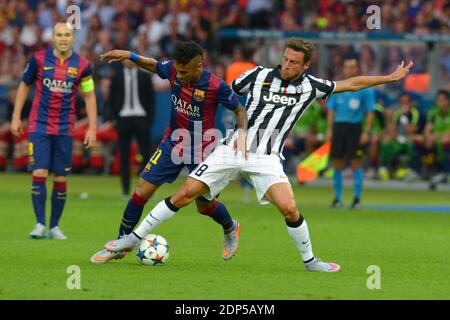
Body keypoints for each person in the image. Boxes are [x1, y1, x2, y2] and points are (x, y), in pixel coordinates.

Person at [103, 38, 413, 272]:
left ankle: (310, 261)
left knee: (290, 208)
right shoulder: (257, 75)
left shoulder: (313, 86)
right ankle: (132, 238)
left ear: (305, 65)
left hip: (267, 157)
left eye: (294, 62)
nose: (287, 65)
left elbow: (352, 83)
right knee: (187, 194)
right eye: (285, 59)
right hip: (233, 148)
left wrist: (388, 78)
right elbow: (226, 93)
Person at [90, 40, 248, 263]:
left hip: (202, 152)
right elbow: (154, 65)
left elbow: (240, 110)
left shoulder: (215, 86)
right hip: (172, 143)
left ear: (198, 66)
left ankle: (231, 227)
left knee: (204, 206)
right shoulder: (174, 69)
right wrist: (129, 55)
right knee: (141, 191)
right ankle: (120, 243)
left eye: (184, 72)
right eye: (178, 71)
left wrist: (241, 134)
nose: (180, 76)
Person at [11, 22, 97, 240]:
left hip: (65, 129)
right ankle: (39, 223)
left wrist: (92, 128)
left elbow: (89, 95)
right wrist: (15, 116)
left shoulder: (83, 65)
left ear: (73, 37)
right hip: (39, 126)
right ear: (53, 37)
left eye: (67, 35)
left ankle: (54, 226)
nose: (63, 38)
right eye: (59, 35)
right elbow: (24, 86)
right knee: (39, 173)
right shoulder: (38, 59)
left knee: (61, 178)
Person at [326, 55, 375, 209]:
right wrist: (329, 130)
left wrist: (366, 132)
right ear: (343, 69)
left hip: (355, 128)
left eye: (353, 67)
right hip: (339, 127)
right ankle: (338, 198)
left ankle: (356, 199)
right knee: (337, 163)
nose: (350, 69)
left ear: (357, 68)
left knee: (355, 162)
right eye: (347, 67)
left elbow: (370, 111)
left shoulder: (365, 88)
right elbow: (331, 110)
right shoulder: (338, 86)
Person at [109, 59, 155, 196]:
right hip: (123, 119)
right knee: (124, 156)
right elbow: (111, 99)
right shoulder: (116, 77)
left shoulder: (145, 77)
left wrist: (148, 120)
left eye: (130, 59)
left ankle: (146, 191)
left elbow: (151, 100)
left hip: (141, 118)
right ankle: (125, 191)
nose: (128, 62)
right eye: (125, 60)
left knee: (146, 156)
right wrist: (115, 119)